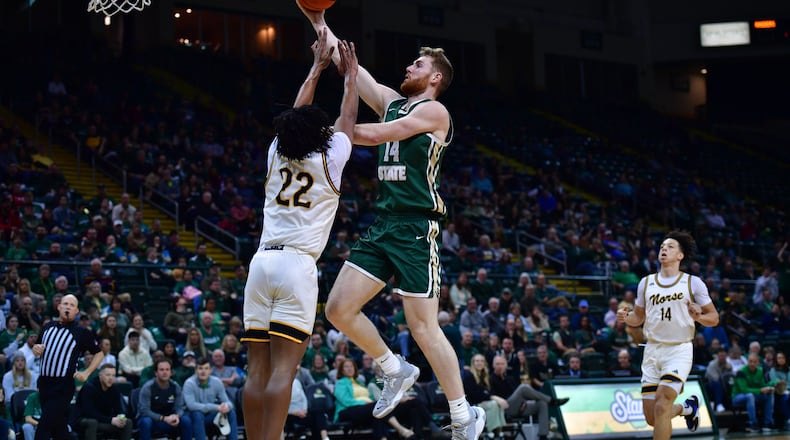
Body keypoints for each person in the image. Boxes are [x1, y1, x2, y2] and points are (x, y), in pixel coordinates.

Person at [300, 6, 485, 438]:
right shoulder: (390, 101)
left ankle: (463, 415)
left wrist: (326, 137)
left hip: (417, 229)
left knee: (422, 326)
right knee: (338, 308)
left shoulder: (435, 114)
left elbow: (378, 135)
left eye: (418, 64)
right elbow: (349, 65)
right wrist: (317, 20)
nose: (409, 66)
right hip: (385, 224)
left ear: (435, 77)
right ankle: (392, 367)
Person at [239, 28, 359, 440]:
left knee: (256, 369)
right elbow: (347, 120)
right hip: (297, 266)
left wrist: (315, 68)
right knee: (284, 369)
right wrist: (350, 78)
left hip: (261, 264)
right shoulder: (330, 160)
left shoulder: (275, 153)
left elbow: (296, 113)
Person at [617, 231, 719, 440]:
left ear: (680, 255)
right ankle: (687, 408)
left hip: (678, 349)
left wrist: (699, 316)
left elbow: (714, 317)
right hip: (652, 350)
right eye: (662, 246)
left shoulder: (692, 283)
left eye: (670, 246)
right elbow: (638, 317)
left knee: (663, 404)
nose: (664, 249)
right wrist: (626, 317)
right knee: (653, 416)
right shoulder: (646, 283)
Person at [31, 294, 104, 440]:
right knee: (59, 428)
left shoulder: (82, 333)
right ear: (59, 307)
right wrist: (35, 349)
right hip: (44, 383)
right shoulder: (47, 326)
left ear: (76, 311)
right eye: (65, 304)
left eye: (71, 305)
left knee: (43, 427)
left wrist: (87, 372)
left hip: (63, 387)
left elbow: (99, 354)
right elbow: (37, 347)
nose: (68, 307)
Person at [183, 357, 239, 440]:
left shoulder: (216, 382)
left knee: (231, 412)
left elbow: (228, 402)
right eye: (200, 368)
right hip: (192, 415)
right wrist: (216, 407)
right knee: (197, 414)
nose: (203, 371)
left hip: (210, 416)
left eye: (206, 368)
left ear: (210, 371)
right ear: (195, 371)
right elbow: (191, 405)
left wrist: (226, 406)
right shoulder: (189, 383)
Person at [137, 359, 193, 440]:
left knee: (186, 420)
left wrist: (176, 416)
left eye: (167, 369)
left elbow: (180, 407)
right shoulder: (148, 387)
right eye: (161, 370)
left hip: (170, 419)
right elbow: (144, 411)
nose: (165, 372)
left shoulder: (175, 386)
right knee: (145, 422)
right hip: (153, 420)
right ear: (156, 373)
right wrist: (163, 418)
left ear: (171, 372)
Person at [75, 363, 132, 440]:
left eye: (113, 375)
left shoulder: (114, 389)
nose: (111, 378)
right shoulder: (89, 388)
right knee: (92, 422)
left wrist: (121, 417)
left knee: (127, 422)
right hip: (85, 420)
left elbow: (118, 408)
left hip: (104, 420)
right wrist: (110, 420)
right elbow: (89, 412)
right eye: (108, 375)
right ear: (100, 376)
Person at [732, 353, 775, 432]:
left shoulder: (760, 371)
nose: (752, 364)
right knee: (749, 396)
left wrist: (769, 387)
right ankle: (753, 423)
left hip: (753, 396)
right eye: (750, 361)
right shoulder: (741, 372)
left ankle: (767, 423)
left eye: (754, 362)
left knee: (769, 394)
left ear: (758, 363)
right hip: (737, 397)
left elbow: (762, 385)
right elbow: (743, 390)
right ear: (747, 361)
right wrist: (760, 390)